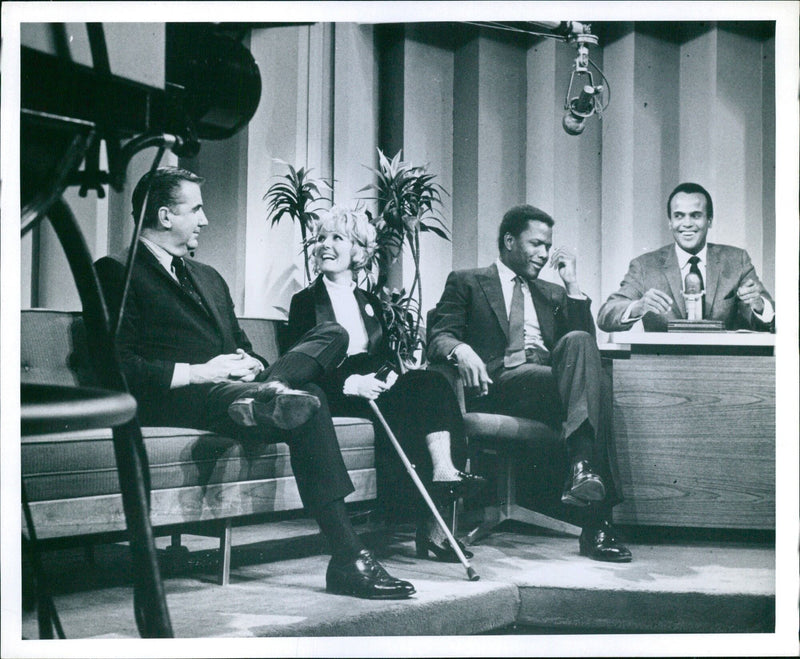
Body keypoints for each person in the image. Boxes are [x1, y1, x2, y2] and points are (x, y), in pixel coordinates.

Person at [95, 167, 415, 600]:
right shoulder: (118, 271)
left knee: (333, 335)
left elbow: (247, 349)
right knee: (311, 398)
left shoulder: (208, 276)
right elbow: (118, 364)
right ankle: (347, 557)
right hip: (181, 396)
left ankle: (265, 393)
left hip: (238, 392)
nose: (206, 220)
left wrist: (252, 364)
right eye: (197, 209)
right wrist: (202, 371)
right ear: (166, 216)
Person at [427, 204, 632, 562]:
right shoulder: (468, 281)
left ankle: (584, 470)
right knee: (592, 389)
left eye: (547, 246)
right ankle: (596, 521)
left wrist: (572, 285)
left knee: (581, 344)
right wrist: (461, 348)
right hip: (495, 384)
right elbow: (439, 336)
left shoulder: (552, 294)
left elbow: (584, 350)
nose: (544, 253)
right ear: (509, 241)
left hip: (545, 388)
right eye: (536, 244)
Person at [285, 207, 485, 563]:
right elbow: (301, 365)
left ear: (357, 250)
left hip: (373, 384)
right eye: (321, 238)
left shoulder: (369, 301)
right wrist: (351, 384)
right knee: (415, 407)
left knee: (432, 382)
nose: (325, 245)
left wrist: (389, 375)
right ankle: (434, 528)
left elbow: (383, 355)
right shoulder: (305, 302)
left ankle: (444, 471)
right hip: (337, 390)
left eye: (337, 238)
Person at [597, 182, 775, 332]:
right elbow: (606, 315)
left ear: (709, 220)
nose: (687, 224)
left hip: (723, 365)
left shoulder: (737, 260)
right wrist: (639, 306)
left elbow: (772, 316)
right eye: (679, 216)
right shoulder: (645, 266)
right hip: (663, 365)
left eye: (696, 216)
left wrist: (758, 305)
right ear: (670, 222)